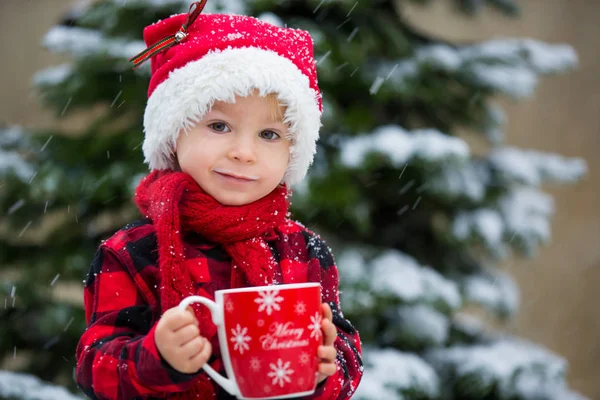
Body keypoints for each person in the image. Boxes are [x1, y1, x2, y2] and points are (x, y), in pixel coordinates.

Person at [75, 1, 363, 399]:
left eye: (269, 134)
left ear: (292, 152)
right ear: (174, 134)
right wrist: (155, 357)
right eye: (219, 125)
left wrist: (324, 370)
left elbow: (347, 356)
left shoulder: (302, 250)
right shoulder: (132, 252)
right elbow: (95, 368)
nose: (244, 152)